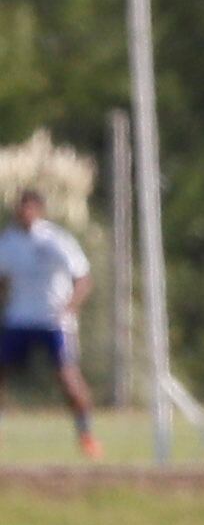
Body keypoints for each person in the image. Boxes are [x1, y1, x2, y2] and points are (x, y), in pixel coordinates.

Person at [0, 188, 100, 459]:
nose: (24, 213)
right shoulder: (7, 241)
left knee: (68, 379)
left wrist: (69, 309)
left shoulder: (56, 239)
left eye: (29, 207)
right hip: (19, 318)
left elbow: (83, 278)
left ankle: (86, 434)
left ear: (39, 210)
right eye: (21, 207)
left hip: (53, 321)